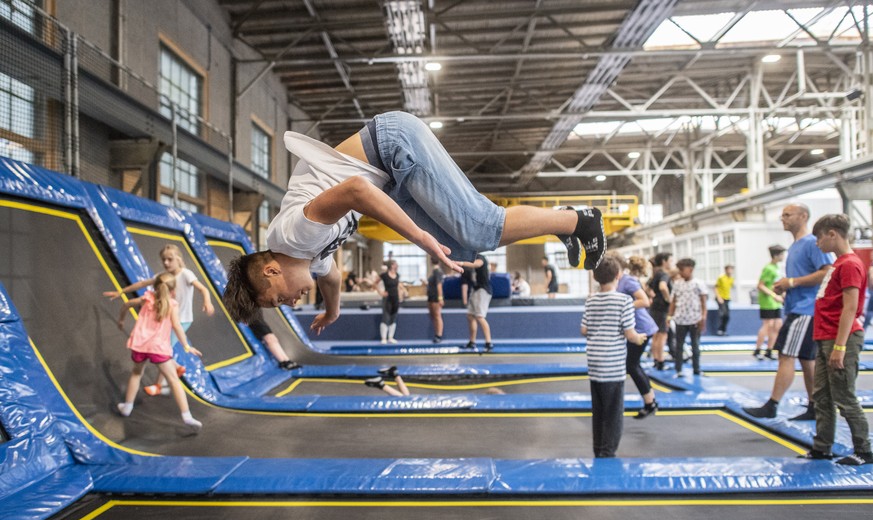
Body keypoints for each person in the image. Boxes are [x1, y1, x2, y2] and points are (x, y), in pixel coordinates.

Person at [221, 111, 606, 329]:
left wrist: (419, 237)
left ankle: (580, 221)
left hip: (390, 146)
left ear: (271, 271)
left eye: (277, 300)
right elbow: (333, 277)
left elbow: (356, 190)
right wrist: (333, 310)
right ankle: (563, 223)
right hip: (388, 177)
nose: (290, 302)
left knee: (479, 226)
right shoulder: (307, 256)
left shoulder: (292, 234)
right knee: (466, 246)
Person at [744, 203, 833, 420]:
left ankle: (772, 404)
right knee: (806, 358)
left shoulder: (812, 243)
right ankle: (814, 406)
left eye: (787, 215)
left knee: (786, 355)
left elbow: (828, 271)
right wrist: (785, 286)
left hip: (805, 310)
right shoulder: (795, 246)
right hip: (798, 307)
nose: (783, 218)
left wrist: (791, 282)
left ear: (803, 216)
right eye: (782, 215)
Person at [800, 214, 871, 465]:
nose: (817, 244)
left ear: (832, 234)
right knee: (822, 395)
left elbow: (850, 308)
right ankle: (823, 446)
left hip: (841, 339)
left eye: (819, 238)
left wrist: (840, 346)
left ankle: (864, 449)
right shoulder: (837, 265)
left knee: (844, 395)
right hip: (825, 337)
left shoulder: (850, 264)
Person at [104, 244, 215, 396]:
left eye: (170, 259)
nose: (166, 263)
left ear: (178, 259)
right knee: (160, 350)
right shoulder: (163, 277)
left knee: (163, 350)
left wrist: (207, 301)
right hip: (168, 320)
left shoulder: (186, 274)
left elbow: (203, 289)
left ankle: (160, 384)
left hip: (182, 320)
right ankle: (174, 368)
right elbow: (142, 284)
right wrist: (121, 291)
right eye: (164, 260)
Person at [115, 272, 203, 432]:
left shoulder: (146, 299)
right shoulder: (172, 305)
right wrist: (187, 346)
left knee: (136, 373)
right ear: (172, 290)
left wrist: (121, 320)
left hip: (140, 345)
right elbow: (177, 326)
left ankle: (127, 406)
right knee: (174, 380)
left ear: (155, 287)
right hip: (158, 348)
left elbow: (126, 304)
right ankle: (186, 416)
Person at [581, 256, 646, 458]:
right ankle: (608, 452)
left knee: (598, 410)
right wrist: (638, 339)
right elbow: (629, 333)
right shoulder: (624, 301)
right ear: (618, 276)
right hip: (613, 364)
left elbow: (584, 329)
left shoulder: (591, 300)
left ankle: (598, 448)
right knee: (614, 412)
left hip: (595, 363)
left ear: (595, 277)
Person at [615, 254, 659, 419]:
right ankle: (651, 400)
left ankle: (650, 402)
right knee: (633, 364)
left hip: (641, 328)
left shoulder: (628, 280)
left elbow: (645, 301)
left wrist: (622, 305)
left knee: (631, 365)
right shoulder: (621, 281)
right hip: (635, 328)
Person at [668, 258, 707, 378]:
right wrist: (669, 316)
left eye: (682, 270)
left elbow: (703, 303)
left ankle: (697, 369)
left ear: (690, 269)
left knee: (695, 346)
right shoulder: (677, 283)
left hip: (695, 319)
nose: (679, 272)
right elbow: (673, 301)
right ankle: (678, 369)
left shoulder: (698, 283)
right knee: (679, 346)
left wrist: (703, 318)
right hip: (680, 319)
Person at [753, 245, 786, 361]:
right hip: (767, 302)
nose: (783, 256)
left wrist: (781, 294)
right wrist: (774, 296)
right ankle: (757, 350)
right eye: (781, 254)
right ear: (776, 255)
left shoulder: (777, 267)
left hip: (775, 302)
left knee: (777, 325)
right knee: (767, 325)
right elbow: (760, 285)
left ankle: (769, 350)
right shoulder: (768, 268)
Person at [646, 252, 674, 371]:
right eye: (670, 260)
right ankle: (660, 361)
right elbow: (663, 287)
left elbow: (647, 287)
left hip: (654, 307)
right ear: (664, 261)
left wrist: (653, 296)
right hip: (662, 308)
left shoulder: (656, 274)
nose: (671, 263)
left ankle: (656, 360)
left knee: (656, 335)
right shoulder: (664, 275)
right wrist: (669, 299)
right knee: (662, 335)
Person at [461, 253, 493, 352]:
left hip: (483, 290)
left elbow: (477, 264)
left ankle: (488, 343)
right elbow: (464, 283)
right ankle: (472, 342)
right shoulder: (467, 266)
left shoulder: (480, 258)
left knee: (480, 316)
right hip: (474, 290)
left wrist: (461, 262)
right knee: (470, 315)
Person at [377, 259, 403, 344]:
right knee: (386, 317)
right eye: (395, 264)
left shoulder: (398, 275)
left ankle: (390, 337)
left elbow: (398, 286)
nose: (397, 266)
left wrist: (400, 295)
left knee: (393, 317)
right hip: (387, 298)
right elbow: (375, 283)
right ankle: (383, 338)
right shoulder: (384, 275)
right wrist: (381, 292)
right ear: (391, 265)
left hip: (395, 299)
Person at [426, 256, 445, 343]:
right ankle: (436, 334)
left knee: (437, 316)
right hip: (431, 296)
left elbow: (439, 285)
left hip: (436, 297)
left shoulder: (438, 272)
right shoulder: (434, 271)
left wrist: (440, 298)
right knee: (433, 316)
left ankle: (439, 335)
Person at [714, 265, 734, 336]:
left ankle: (723, 330)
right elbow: (716, 288)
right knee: (722, 314)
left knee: (727, 315)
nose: (730, 271)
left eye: (731, 269)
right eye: (729, 269)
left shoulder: (731, 278)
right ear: (726, 270)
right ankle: (719, 330)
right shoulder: (721, 278)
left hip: (727, 298)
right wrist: (719, 297)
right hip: (721, 298)